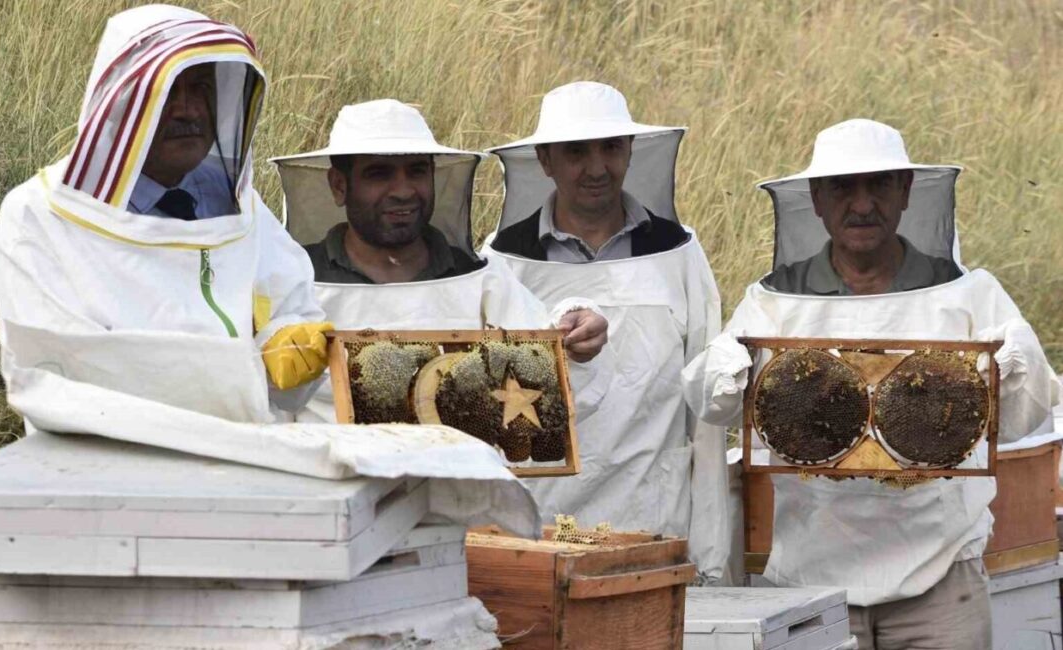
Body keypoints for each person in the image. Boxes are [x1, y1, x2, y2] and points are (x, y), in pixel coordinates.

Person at [685, 118, 1061, 649]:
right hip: (813, 576)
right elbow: (711, 401)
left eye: (878, 185)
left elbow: (1027, 414)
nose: (862, 205)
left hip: (940, 576)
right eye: (843, 187)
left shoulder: (968, 296)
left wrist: (1015, 363)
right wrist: (725, 367)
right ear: (816, 199)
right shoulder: (773, 303)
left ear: (905, 192)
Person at [0, 4, 333, 426]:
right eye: (169, 90)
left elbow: (291, 309)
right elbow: (67, 373)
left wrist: (288, 338)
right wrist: (246, 368)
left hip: (249, 465)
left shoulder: (239, 205)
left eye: (202, 88)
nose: (188, 110)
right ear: (119, 102)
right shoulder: (39, 216)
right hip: (106, 467)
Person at [482, 81, 729, 582]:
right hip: (544, 533)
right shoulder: (500, 260)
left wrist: (713, 552)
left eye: (610, 148)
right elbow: (487, 409)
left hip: (655, 525)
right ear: (545, 159)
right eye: (576, 152)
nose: (596, 168)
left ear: (631, 150)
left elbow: (706, 409)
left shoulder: (677, 252)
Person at [271, 99, 607, 425]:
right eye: (379, 174)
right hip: (337, 476)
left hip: (458, 477)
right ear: (339, 185)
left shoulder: (480, 278)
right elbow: (270, 410)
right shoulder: (295, 282)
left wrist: (576, 344)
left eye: (417, 171)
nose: (403, 191)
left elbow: (552, 386)